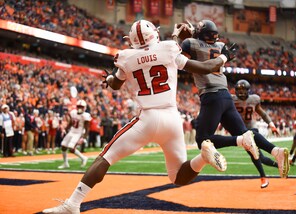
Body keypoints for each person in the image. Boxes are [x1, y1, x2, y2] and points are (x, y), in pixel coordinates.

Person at [42, 19, 242, 214]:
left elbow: (115, 84)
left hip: (146, 119)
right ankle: (202, 158)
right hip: (172, 119)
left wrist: (110, 79)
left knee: (105, 158)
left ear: (132, 39)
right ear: (155, 33)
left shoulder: (127, 57)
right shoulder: (170, 47)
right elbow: (206, 67)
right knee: (178, 177)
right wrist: (224, 57)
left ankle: (73, 204)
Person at [178, 19, 289, 179]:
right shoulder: (221, 46)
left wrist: (179, 37)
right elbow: (207, 47)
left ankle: (239, 140)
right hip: (226, 95)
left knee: (202, 139)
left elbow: (176, 53)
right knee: (246, 132)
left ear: (200, 32)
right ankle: (275, 151)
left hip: (211, 95)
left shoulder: (191, 43)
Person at [233, 79, 280, 188]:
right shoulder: (231, 100)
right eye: (239, 90)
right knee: (260, 157)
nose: (241, 92)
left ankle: (263, 177)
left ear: (248, 90)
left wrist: (271, 124)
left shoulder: (254, 99)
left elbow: (263, 114)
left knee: (254, 154)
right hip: (241, 131)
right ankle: (279, 166)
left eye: (243, 90)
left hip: (252, 129)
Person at [57, 99, 91, 169]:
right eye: (78, 106)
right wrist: (65, 129)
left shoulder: (86, 115)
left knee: (71, 147)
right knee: (63, 146)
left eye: (81, 107)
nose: (80, 108)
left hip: (78, 133)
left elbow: (87, 128)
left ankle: (83, 158)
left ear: (84, 108)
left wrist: (84, 137)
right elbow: (71, 123)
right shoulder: (73, 113)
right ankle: (66, 163)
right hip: (72, 131)